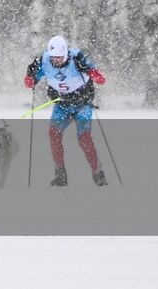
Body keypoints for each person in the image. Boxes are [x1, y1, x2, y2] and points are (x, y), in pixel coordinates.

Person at [24, 34, 108, 187]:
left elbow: (99, 77)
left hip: (82, 104)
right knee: (53, 135)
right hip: (62, 105)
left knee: (84, 139)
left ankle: (98, 173)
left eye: (60, 58)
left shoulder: (77, 58)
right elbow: (31, 77)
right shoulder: (44, 60)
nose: (56, 61)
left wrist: (94, 74)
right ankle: (60, 175)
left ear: (66, 54)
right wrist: (30, 79)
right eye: (53, 57)